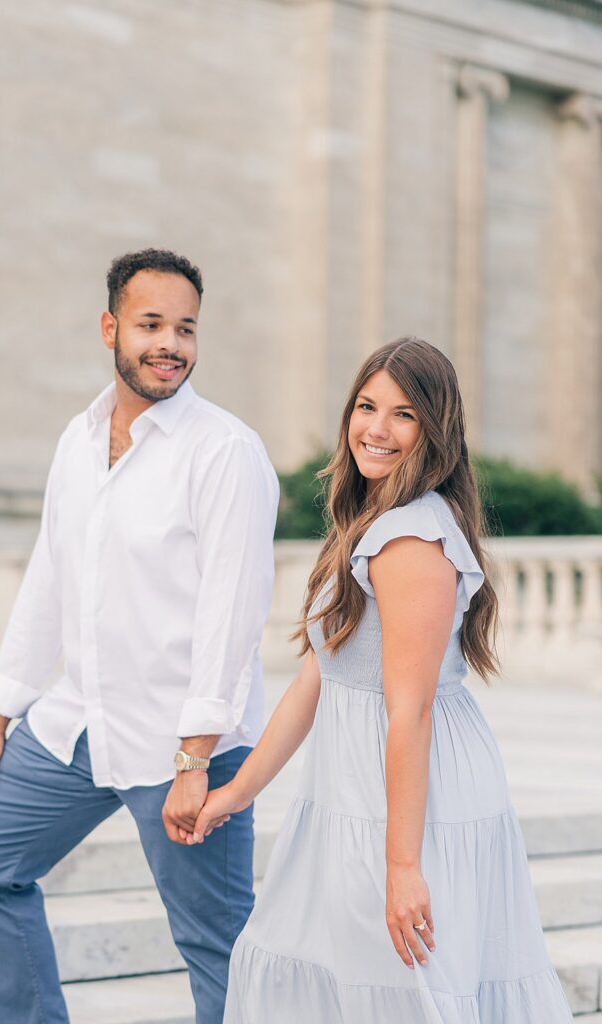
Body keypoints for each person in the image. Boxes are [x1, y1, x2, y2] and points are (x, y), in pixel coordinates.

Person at [189, 337, 574, 1023]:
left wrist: (402, 867)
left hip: (403, 797)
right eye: (366, 406)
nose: (376, 428)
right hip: (354, 787)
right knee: (333, 974)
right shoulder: (370, 524)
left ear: (435, 430)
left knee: (407, 990)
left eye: (403, 414)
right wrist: (235, 793)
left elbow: (410, 712)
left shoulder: (406, 541)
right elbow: (318, 677)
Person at [0, 248, 279, 1024]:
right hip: (77, 726)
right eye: (151, 324)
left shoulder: (225, 451)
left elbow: (231, 617)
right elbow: (48, 579)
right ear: (110, 328)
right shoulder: (78, 438)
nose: (170, 344)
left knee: (216, 943)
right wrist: (0, 717)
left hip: (181, 743)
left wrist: (196, 759)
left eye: (186, 329)